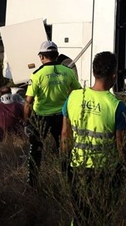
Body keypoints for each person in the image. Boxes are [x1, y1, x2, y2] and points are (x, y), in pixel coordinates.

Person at [61, 51, 126, 224]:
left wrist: (64, 161)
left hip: (78, 165)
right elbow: (121, 145)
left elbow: (65, 134)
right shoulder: (117, 107)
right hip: (106, 170)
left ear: (94, 72)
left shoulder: (73, 97)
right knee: (103, 214)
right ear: (114, 75)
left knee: (79, 212)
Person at [24, 40, 82, 187]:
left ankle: (33, 184)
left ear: (42, 57)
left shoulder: (37, 75)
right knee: (64, 150)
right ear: (56, 55)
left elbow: (28, 102)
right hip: (63, 117)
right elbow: (78, 92)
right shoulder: (68, 72)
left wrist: (26, 122)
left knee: (35, 151)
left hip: (41, 118)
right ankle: (68, 182)